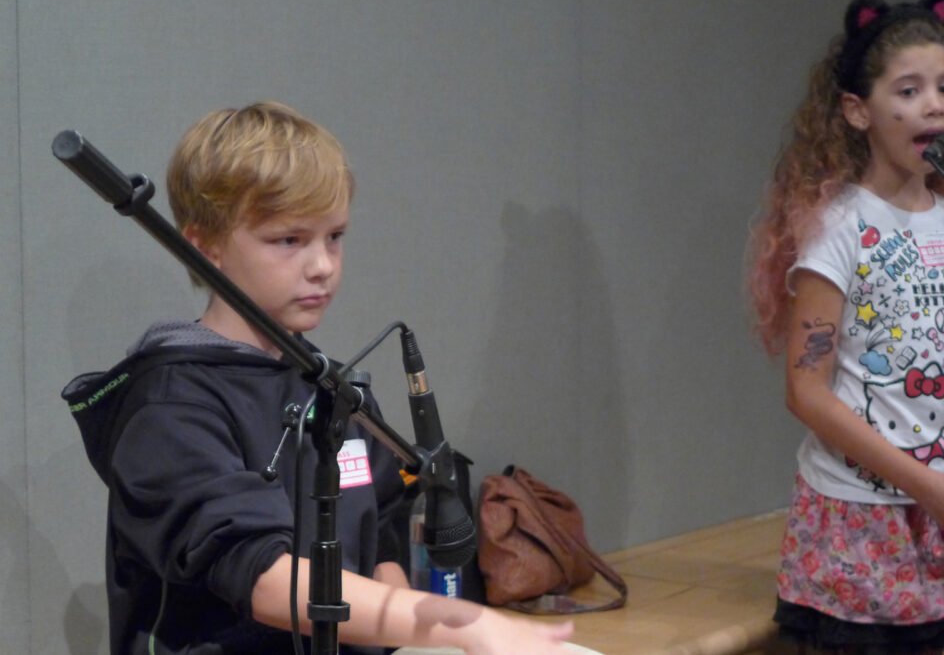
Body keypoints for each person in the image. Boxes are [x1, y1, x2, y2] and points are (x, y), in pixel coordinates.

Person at [62, 101, 574, 654]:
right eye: (289, 240)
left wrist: (407, 639)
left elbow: (381, 528)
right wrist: (463, 624)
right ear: (205, 246)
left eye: (334, 237)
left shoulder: (334, 389)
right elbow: (265, 579)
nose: (323, 265)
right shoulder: (168, 409)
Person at [746, 0, 944, 654]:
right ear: (856, 110)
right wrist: (925, 485)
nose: (933, 104)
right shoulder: (840, 228)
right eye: (907, 91)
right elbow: (805, 389)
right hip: (859, 521)